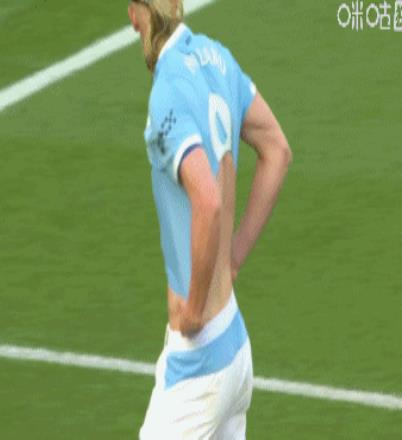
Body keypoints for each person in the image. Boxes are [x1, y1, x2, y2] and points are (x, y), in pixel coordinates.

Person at [128, 0, 292, 438]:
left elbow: (208, 200)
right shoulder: (217, 58)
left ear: (140, 13)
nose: (131, 21)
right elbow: (277, 150)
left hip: (199, 365)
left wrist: (195, 309)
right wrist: (233, 257)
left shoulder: (167, 92)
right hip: (234, 344)